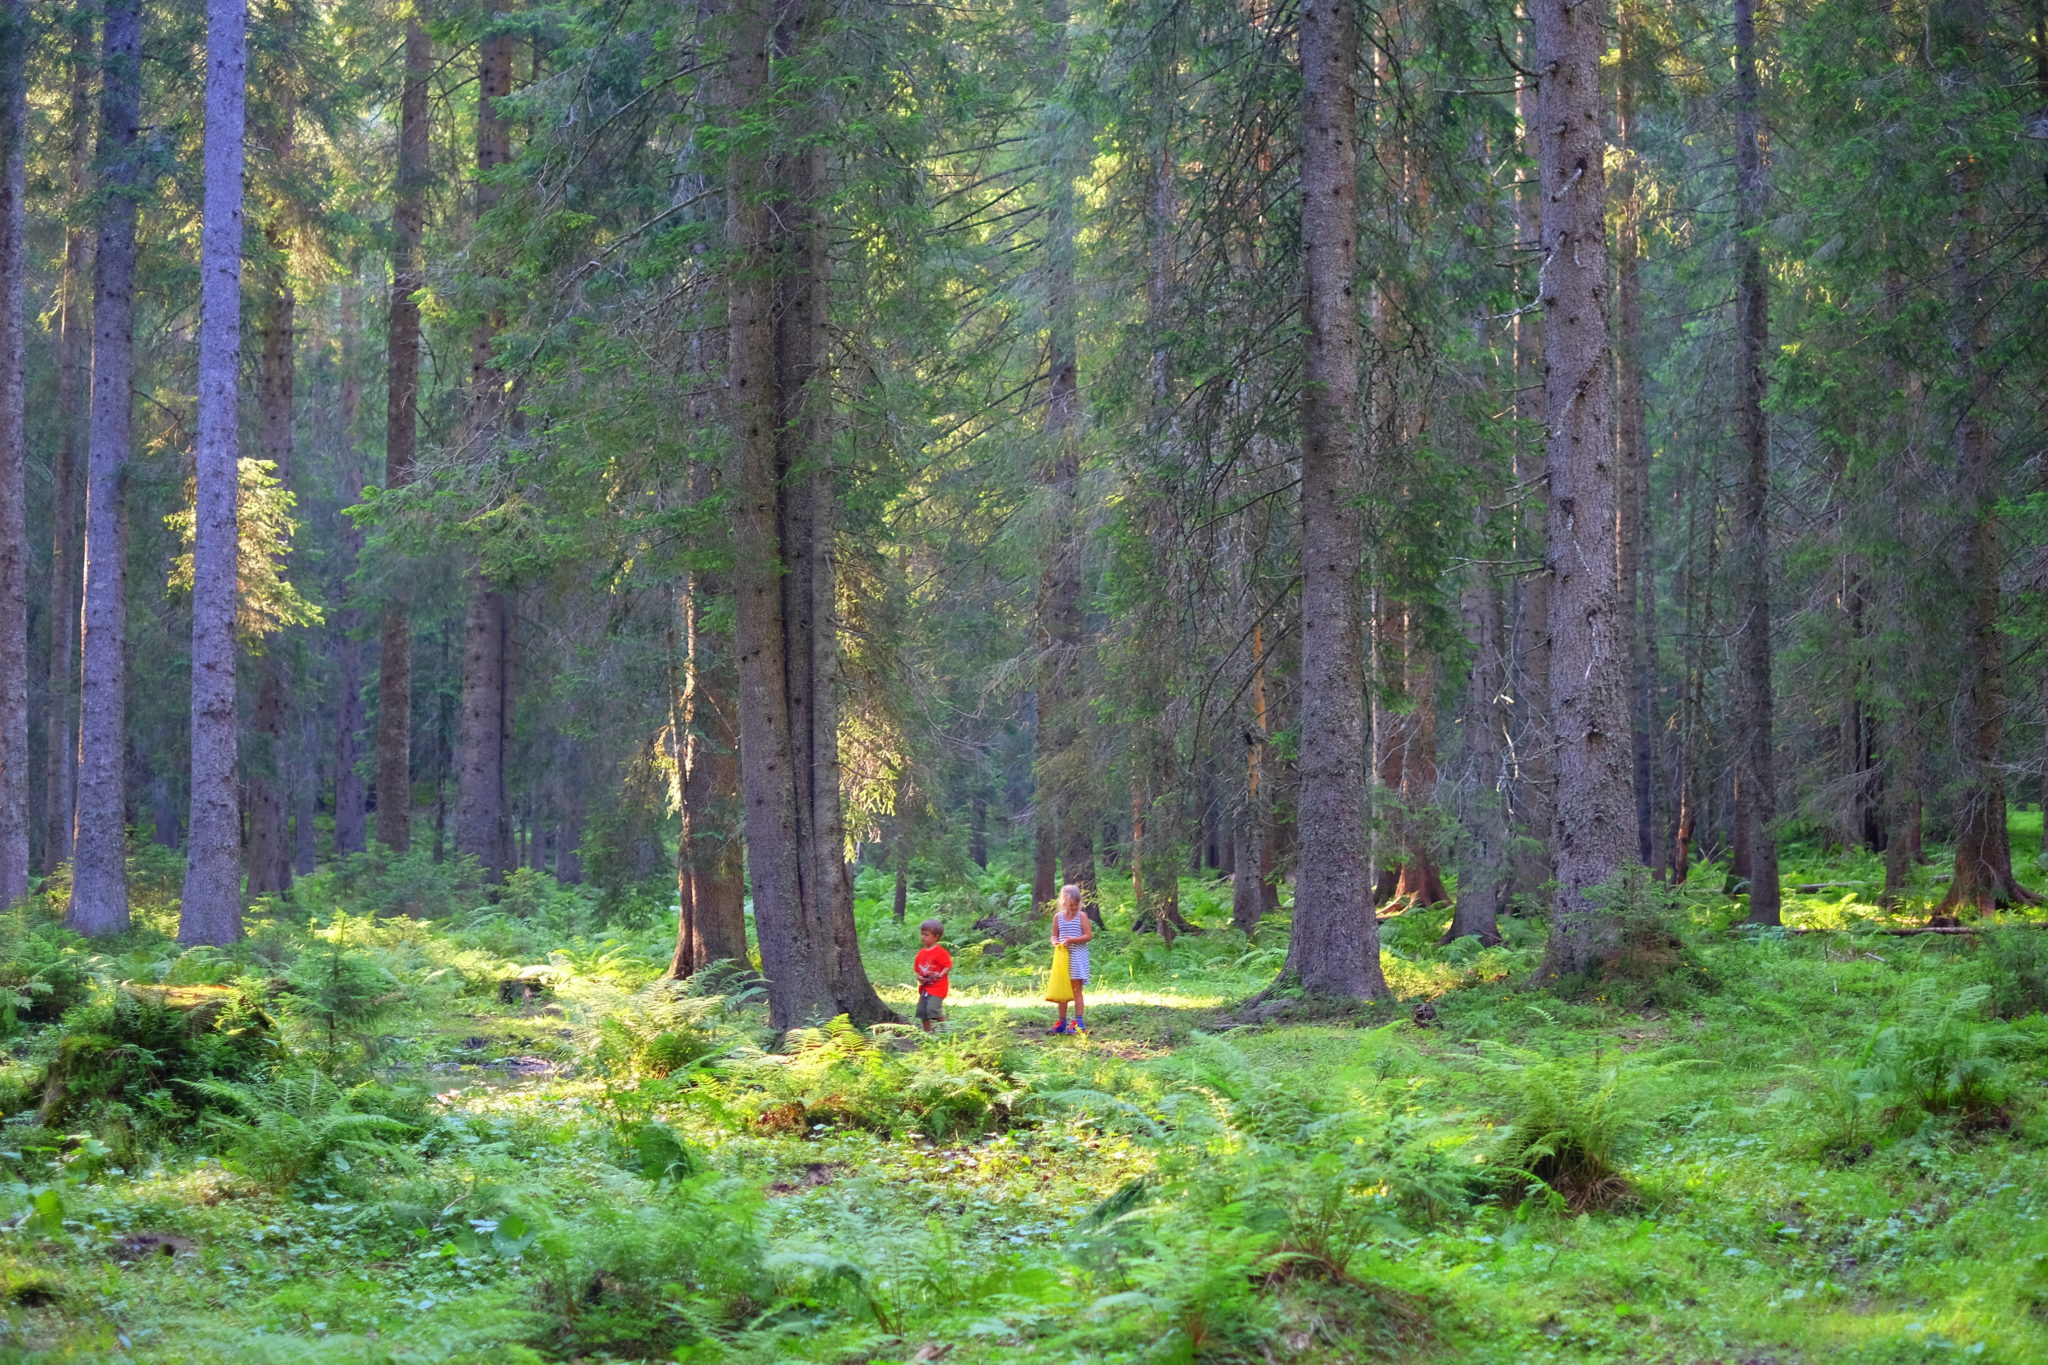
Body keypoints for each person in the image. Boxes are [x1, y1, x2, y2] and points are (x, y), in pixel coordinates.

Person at [1049, 884, 1094, 1034]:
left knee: (1076, 990)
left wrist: (1073, 940)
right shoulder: (1058, 917)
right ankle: (1061, 1021)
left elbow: (1088, 936)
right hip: (1063, 958)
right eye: (1071, 905)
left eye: (1076, 904)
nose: (1074, 907)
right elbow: (1054, 935)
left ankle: (1078, 1022)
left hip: (1077, 958)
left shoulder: (1081, 916)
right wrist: (1055, 942)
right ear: (1063, 903)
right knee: (1062, 990)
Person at [913, 918, 951, 1033]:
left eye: (926, 935)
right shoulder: (921, 953)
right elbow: (917, 970)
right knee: (922, 1011)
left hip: (938, 988)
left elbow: (948, 965)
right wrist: (919, 977)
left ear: (936, 936)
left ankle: (945, 1030)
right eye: (922, 934)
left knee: (933, 1009)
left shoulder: (940, 951)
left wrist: (940, 974)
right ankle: (927, 1033)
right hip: (925, 988)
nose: (923, 937)